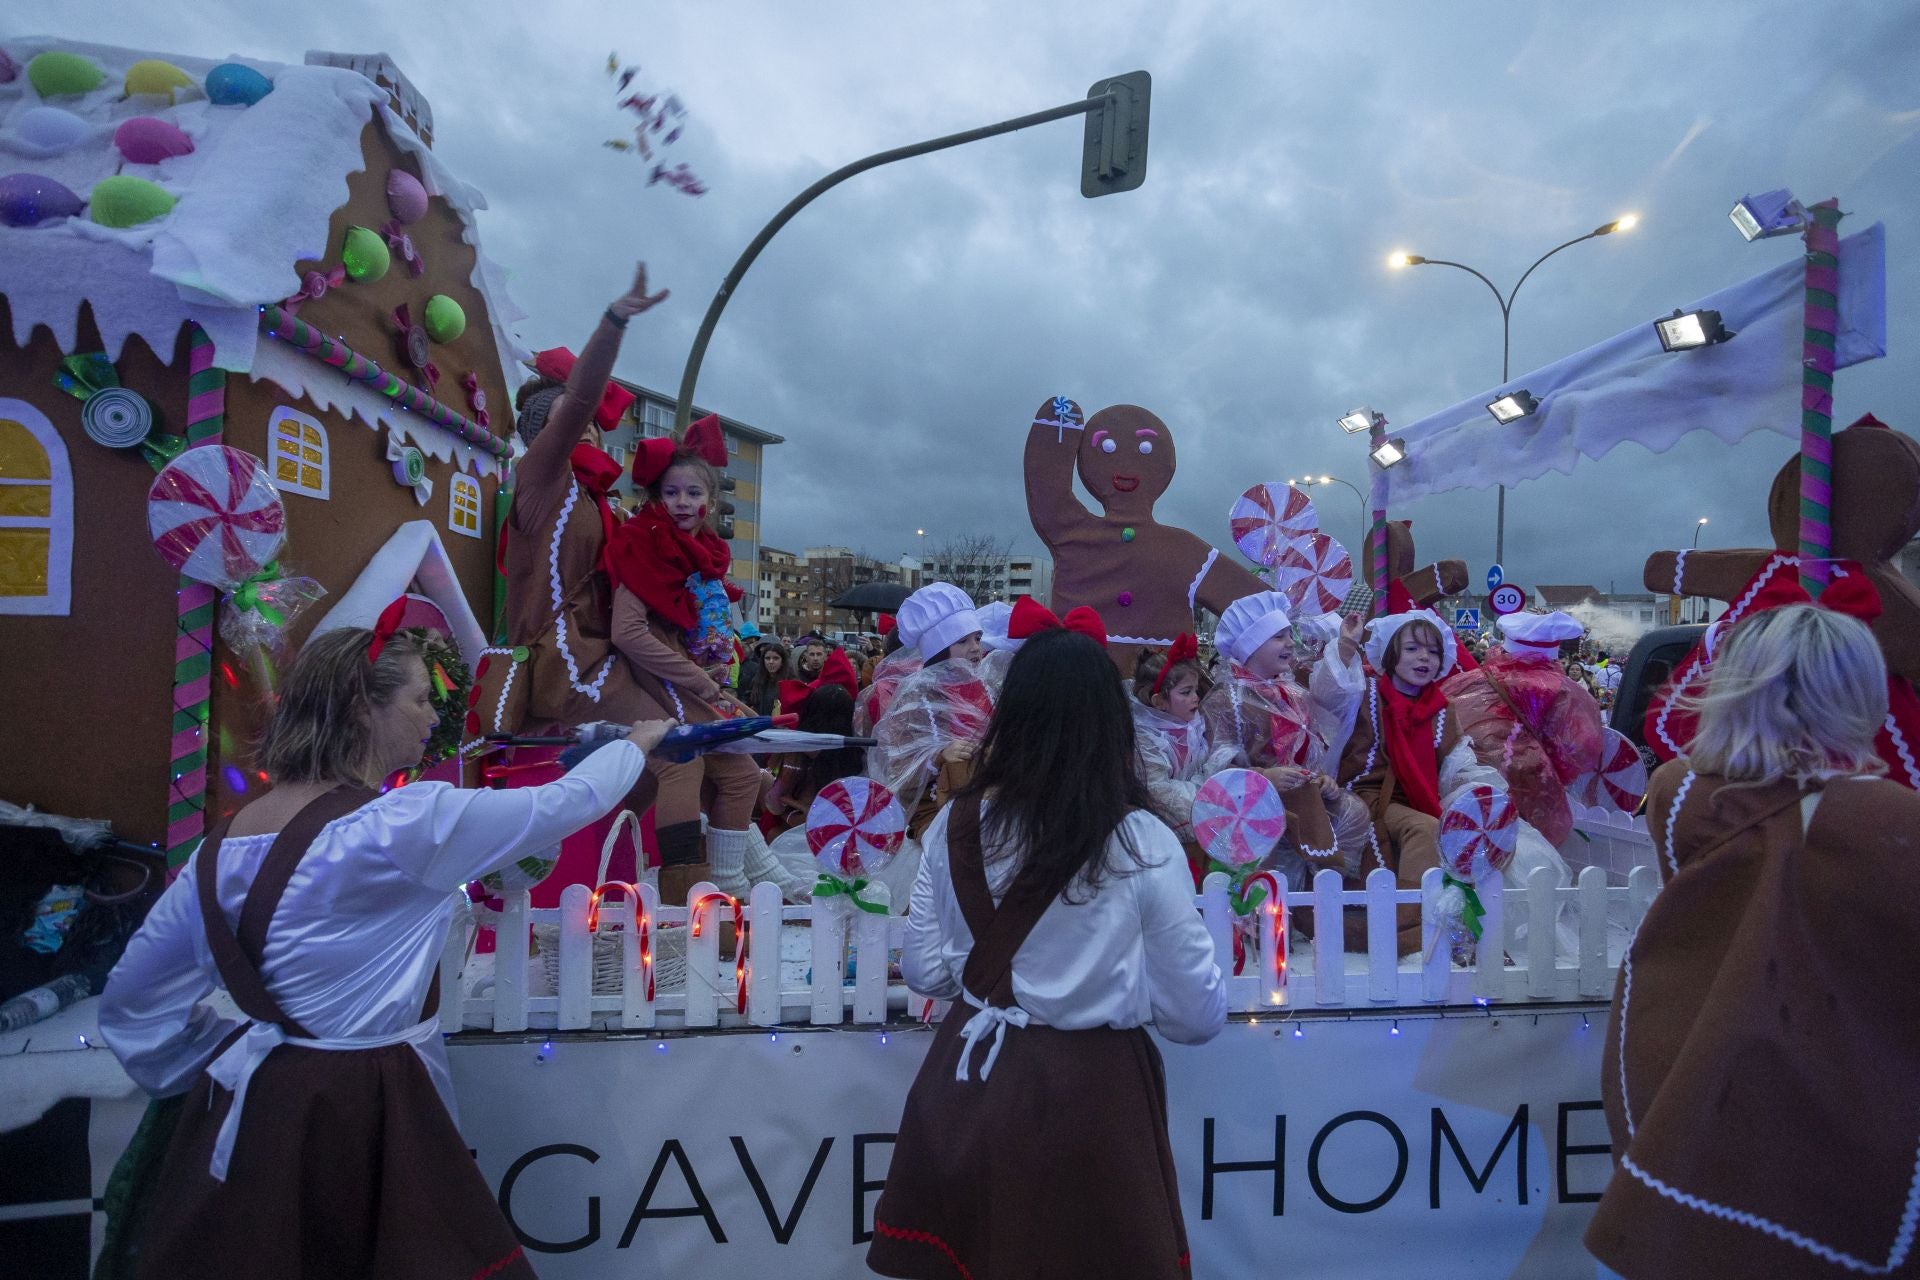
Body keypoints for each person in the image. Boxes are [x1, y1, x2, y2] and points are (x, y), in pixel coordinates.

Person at [97, 625, 674, 1279]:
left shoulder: (220, 846)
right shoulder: (402, 824)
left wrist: (227, 1064)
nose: (434, 718)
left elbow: (132, 1009)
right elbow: (562, 804)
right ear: (359, 703)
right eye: (421, 699)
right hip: (369, 1108)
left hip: (258, 1116)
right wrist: (635, 745)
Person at [868, 628, 1225, 1280]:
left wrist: (1001, 981)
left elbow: (922, 968)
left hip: (970, 1081)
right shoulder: (1141, 838)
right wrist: (1101, 977)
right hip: (1093, 1095)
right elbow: (1195, 1015)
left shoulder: (958, 820)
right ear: (1111, 725)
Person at [1585, 603, 1920, 1280]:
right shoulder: (1892, 821)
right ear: (1858, 692)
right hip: (1830, 1101)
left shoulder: (1678, 794)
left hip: (1691, 1076)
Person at [466, 265, 669, 777]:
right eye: (571, 423)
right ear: (544, 435)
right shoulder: (542, 481)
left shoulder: (601, 505)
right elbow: (581, 398)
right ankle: (710, 862)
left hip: (605, 656)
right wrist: (614, 322)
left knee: (696, 733)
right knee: (673, 750)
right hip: (565, 671)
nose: (589, 432)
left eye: (592, 428)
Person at [605, 415, 762, 903]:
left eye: (693, 493)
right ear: (656, 497)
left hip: (689, 682)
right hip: (653, 684)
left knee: (732, 776)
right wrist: (699, 681)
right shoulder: (645, 546)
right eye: (672, 493)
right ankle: (696, 892)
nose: (682, 503)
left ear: (711, 503)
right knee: (714, 770)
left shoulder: (699, 552)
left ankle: (719, 882)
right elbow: (626, 631)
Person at [1201, 592, 1369, 888]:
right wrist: (1263, 777)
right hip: (1249, 806)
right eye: (1278, 637)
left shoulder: (1293, 693)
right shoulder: (1225, 699)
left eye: (1289, 635)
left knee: (1353, 812)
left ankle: (1321, 898)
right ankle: (1268, 914)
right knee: (1269, 865)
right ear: (1251, 646)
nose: (1291, 643)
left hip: (1300, 798)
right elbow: (1216, 764)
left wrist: (1321, 779)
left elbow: (1312, 748)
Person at [1440, 611, 1606, 846]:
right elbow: (1583, 751)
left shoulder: (1466, 683)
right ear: (1554, 653)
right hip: (1540, 804)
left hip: (1472, 804)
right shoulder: (1569, 693)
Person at [869, 583, 997, 837]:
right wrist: (938, 756)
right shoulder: (917, 693)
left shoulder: (986, 685)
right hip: (933, 808)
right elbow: (897, 766)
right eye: (963, 641)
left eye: (977, 638)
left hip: (987, 797)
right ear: (939, 649)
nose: (975, 647)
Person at [1130, 635, 1212, 872]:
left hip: (1199, 829)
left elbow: (1204, 766)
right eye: (1186, 692)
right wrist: (1207, 796)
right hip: (1159, 839)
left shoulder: (1194, 725)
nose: (1196, 697)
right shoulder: (1146, 738)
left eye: (1195, 690)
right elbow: (1157, 790)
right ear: (1159, 702)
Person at [742, 640, 789, 716]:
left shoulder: (789, 682)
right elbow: (747, 701)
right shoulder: (757, 680)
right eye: (767, 658)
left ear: (782, 661)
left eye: (776, 658)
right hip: (760, 724)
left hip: (781, 726)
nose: (771, 662)